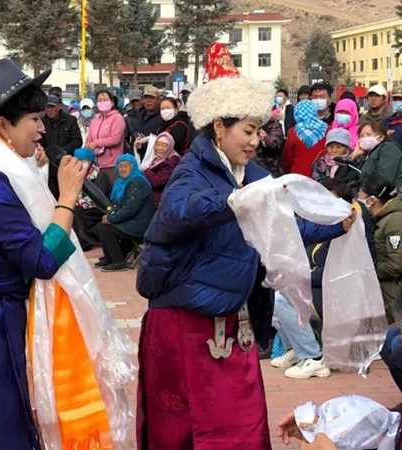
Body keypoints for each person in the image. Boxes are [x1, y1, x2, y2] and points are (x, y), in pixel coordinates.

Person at [135, 44, 356, 449]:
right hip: (185, 320)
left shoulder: (251, 174)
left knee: (242, 427)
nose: (256, 141)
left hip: (233, 320)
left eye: (259, 131)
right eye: (248, 131)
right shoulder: (192, 171)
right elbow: (179, 214)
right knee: (184, 427)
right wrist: (232, 201)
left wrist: (333, 225)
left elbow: (283, 226)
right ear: (219, 127)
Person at [0, 59, 132, 449]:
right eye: (34, 120)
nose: (42, 129)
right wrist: (67, 197)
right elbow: (41, 261)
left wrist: (41, 175)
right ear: (4, 126)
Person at [271, 179, 374, 380]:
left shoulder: (349, 224)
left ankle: (313, 357)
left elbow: (336, 271)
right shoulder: (325, 222)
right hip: (323, 286)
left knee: (283, 299)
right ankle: (296, 350)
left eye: (329, 200)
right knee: (276, 290)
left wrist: (299, 278)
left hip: (342, 292)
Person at [94, 154, 154, 272]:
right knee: (101, 226)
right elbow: (120, 206)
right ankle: (110, 258)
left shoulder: (137, 182)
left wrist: (112, 218)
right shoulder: (121, 182)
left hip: (140, 223)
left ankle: (118, 262)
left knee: (105, 229)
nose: (122, 169)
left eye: (126, 166)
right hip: (131, 219)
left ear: (133, 167)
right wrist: (110, 216)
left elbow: (130, 208)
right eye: (120, 166)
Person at [357, 175, 402, 324]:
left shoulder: (395, 221)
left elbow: (396, 265)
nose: (357, 200)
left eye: (360, 195)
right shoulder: (382, 219)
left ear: (371, 200)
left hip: (392, 295)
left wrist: (372, 270)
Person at [40, 94, 82, 199]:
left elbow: (77, 140)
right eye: (47, 107)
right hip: (49, 167)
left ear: (58, 106)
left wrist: (62, 152)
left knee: (67, 196)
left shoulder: (70, 120)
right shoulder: (41, 122)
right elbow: (39, 143)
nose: (50, 110)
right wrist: (50, 153)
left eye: (52, 106)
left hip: (67, 163)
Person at [72, 147, 111, 251]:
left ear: (89, 162)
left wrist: (78, 202)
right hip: (82, 205)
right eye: (77, 160)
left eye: (82, 160)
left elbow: (98, 197)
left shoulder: (100, 175)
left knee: (77, 211)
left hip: (98, 207)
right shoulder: (77, 174)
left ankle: (85, 242)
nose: (79, 163)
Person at [85, 90, 126, 184]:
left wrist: (96, 143)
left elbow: (115, 139)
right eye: (100, 100)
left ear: (112, 102)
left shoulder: (117, 118)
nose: (102, 102)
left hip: (112, 164)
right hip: (95, 164)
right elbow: (88, 140)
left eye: (105, 99)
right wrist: (93, 147)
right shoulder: (95, 120)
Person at [351, 121, 402, 192]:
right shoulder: (367, 154)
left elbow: (385, 178)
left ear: (380, 137)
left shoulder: (388, 148)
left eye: (368, 134)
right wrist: (353, 157)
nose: (364, 138)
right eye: (362, 136)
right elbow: (346, 178)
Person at [283, 100, 329, 178]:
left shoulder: (293, 132)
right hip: (322, 174)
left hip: (298, 175)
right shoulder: (328, 129)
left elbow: (288, 158)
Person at [142, 132, 180, 208]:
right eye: (158, 144)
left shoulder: (171, 162)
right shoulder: (158, 158)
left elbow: (157, 182)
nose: (159, 148)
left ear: (170, 146)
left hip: (160, 201)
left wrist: (146, 170)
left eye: (164, 145)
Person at [132, 86, 163, 159]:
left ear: (158, 100)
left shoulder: (163, 117)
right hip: (138, 156)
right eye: (146, 98)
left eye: (152, 98)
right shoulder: (139, 115)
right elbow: (134, 131)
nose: (148, 101)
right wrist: (136, 136)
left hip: (155, 157)